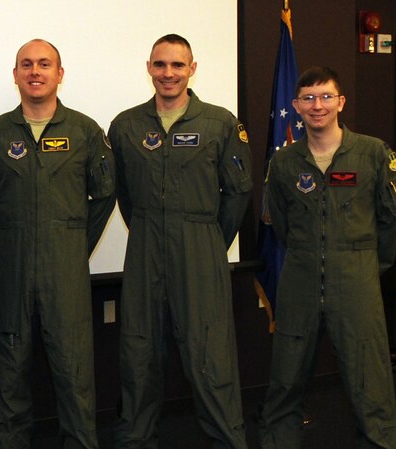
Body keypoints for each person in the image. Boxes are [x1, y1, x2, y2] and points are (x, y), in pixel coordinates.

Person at [109, 34, 252, 448]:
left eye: (177, 65)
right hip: (145, 249)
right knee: (138, 356)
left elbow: (239, 193)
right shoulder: (125, 125)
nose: (168, 73)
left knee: (211, 358)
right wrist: (151, 231)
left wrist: (206, 239)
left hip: (200, 247)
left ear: (192, 69)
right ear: (149, 68)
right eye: (160, 65)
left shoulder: (220, 122)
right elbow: (124, 194)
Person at [260, 66, 396, 449]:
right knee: (285, 381)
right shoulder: (285, 162)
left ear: (341, 102)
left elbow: (395, 217)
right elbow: (280, 221)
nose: (317, 105)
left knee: (370, 385)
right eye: (308, 98)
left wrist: (369, 265)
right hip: (300, 279)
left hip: (355, 279)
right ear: (295, 106)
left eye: (326, 96)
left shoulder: (372, 153)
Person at [0, 39, 115, 449]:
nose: (35, 71)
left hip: (65, 275)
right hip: (9, 273)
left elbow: (104, 194)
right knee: (8, 381)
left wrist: (74, 242)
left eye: (44, 64)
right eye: (26, 64)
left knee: (75, 380)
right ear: (15, 74)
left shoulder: (84, 131)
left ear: (59, 73)